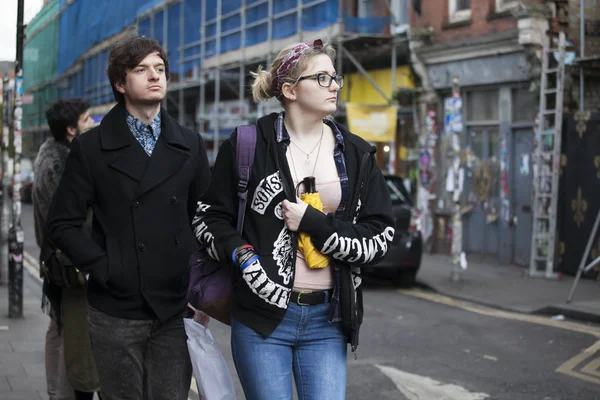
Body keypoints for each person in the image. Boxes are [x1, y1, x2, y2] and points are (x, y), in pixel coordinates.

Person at [193, 39, 395, 399]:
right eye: (321, 78)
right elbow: (208, 218)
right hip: (261, 320)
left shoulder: (357, 153)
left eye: (335, 77)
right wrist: (242, 255)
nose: (334, 85)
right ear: (289, 90)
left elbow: (380, 236)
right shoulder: (248, 145)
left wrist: (316, 224)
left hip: (328, 319)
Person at [47, 36, 211, 400]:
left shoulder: (190, 144)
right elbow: (62, 224)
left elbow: (205, 221)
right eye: (141, 70)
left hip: (174, 306)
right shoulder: (91, 148)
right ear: (120, 84)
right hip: (115, 309)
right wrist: (105, 267)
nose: (155, 77)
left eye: (160, 69)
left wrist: (204, 293)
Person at [34, 98, 100, 400]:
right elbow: (70, 223)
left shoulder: (58, 155)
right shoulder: (58, 166)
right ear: (72, 129)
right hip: (66, 264)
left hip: (62, 262)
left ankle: (60, 391)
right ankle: (59, 393)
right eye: (88, 119)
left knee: (63, 330)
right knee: (67, 332)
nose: (94, 122)